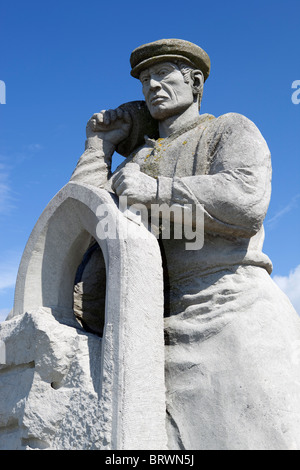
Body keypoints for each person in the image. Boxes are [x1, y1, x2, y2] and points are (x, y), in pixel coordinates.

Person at [70, 39, 300, 450]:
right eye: (144, 80)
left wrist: (157, 189)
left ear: (194, 82)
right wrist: (98, 148)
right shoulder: (136, 162)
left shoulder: (228, 129)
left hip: (232, 311)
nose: (151, 86)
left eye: (162, 74)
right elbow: (80, 222)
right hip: (156, 333)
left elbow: (246, 199)